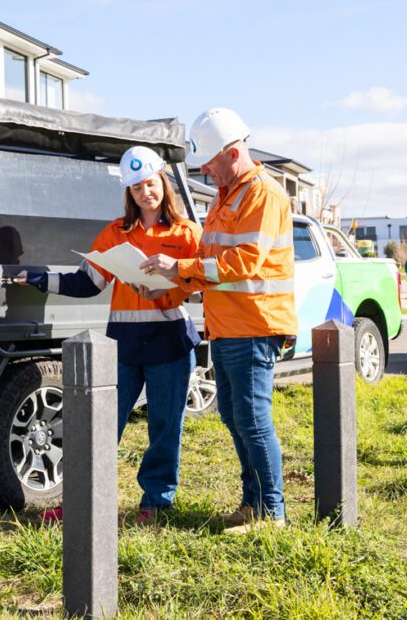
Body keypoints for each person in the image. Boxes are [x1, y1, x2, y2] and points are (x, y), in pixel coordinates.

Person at [15, 145, 201, 526]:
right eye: (136, 189)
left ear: (163, 184)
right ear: (129, 193)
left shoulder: (188, 234)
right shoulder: (116, 232)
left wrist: (170, 284)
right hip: (125, 346)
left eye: (150, 184)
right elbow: (87, 282)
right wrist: (38, 279)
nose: (144, 193)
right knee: (98, 427)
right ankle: (80, 501)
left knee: (164, 431)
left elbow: (202, 283)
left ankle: (155, 505)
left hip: (170, 343)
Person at [141, 108, 297, 533]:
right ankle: (254, 502)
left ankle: (272, 514)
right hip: (229, 327)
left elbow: (244, 262)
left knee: (252, 417)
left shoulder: (262, 194)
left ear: (232, 152)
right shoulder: (229, 196)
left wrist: (178, 270)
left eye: (209, 162)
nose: (205, 171)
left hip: (254, 325)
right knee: (234, 414)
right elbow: (209, 265)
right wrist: (171, 286)